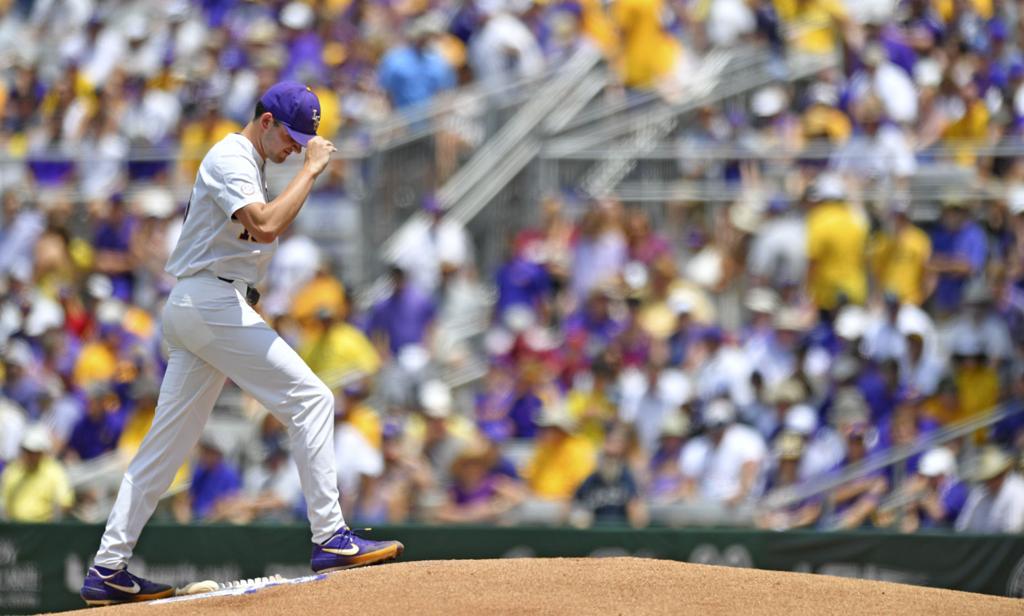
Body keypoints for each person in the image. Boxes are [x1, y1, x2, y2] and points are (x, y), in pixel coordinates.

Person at [80, 83, 402, 607]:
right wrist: (312, 170)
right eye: (292, 137)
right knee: (313, 399)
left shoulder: (251, 162)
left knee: (164, 451)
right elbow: (267, 225)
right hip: (207, 302)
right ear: (267, 120)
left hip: (208, 304)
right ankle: (330, 537)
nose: (296, 148)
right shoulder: (232, 154)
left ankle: (108, 568)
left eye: (304, 142)